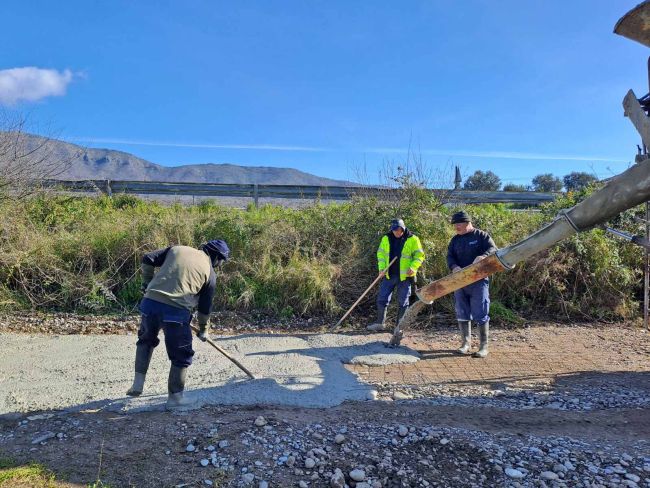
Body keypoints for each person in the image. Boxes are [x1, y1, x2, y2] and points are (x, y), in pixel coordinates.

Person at [126, 239, 230, 409]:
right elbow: (205, 308)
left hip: (149, 304)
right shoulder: (209, 273)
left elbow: (147, 259)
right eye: (221, 261)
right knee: (181, 354)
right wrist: (204, 329)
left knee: (146, 341)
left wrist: (147, 283)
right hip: (176, 312)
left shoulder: (177, 249)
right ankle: (175, 399)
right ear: (217, 257)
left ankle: (137, 384)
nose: (220, 265)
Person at [447, 211, 497, 358]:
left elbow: (493, 249)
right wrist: (454, 266)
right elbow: (450, 256)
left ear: (468, 223)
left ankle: (483, 346)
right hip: (460, 280)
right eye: (455, 224)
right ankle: (465, 344)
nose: (456, 226)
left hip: (478, 280)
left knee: (480, 311)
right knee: (462, 311)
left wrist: (483, 256)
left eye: (459, 224)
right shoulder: (455, 240)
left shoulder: (481, 236)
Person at [368, 219, 425, 332]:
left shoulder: (413, 239)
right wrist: (382, 268)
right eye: (394, 230)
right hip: (389, 275)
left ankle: (399, 327)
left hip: (405, 277)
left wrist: (413, 267)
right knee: (382, 298)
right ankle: (380, 323)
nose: (396, 232)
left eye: (398, 230)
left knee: (403, 301)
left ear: (403, 228)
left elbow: (419, 256)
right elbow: (381, 254)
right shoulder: (386, 238)